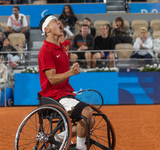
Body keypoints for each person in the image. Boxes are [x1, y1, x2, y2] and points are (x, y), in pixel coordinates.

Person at [38, 15, 94, 150]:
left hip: (65, 93)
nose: (59, 23)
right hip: (53, 96)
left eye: (59, 21)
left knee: (90, 122)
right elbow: (51, 79)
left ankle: (57, 138)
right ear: (47, 29)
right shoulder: (46, 50)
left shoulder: (62, 49)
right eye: (54, 22)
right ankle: (80, 147)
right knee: (86, 112)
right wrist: (70, 72)